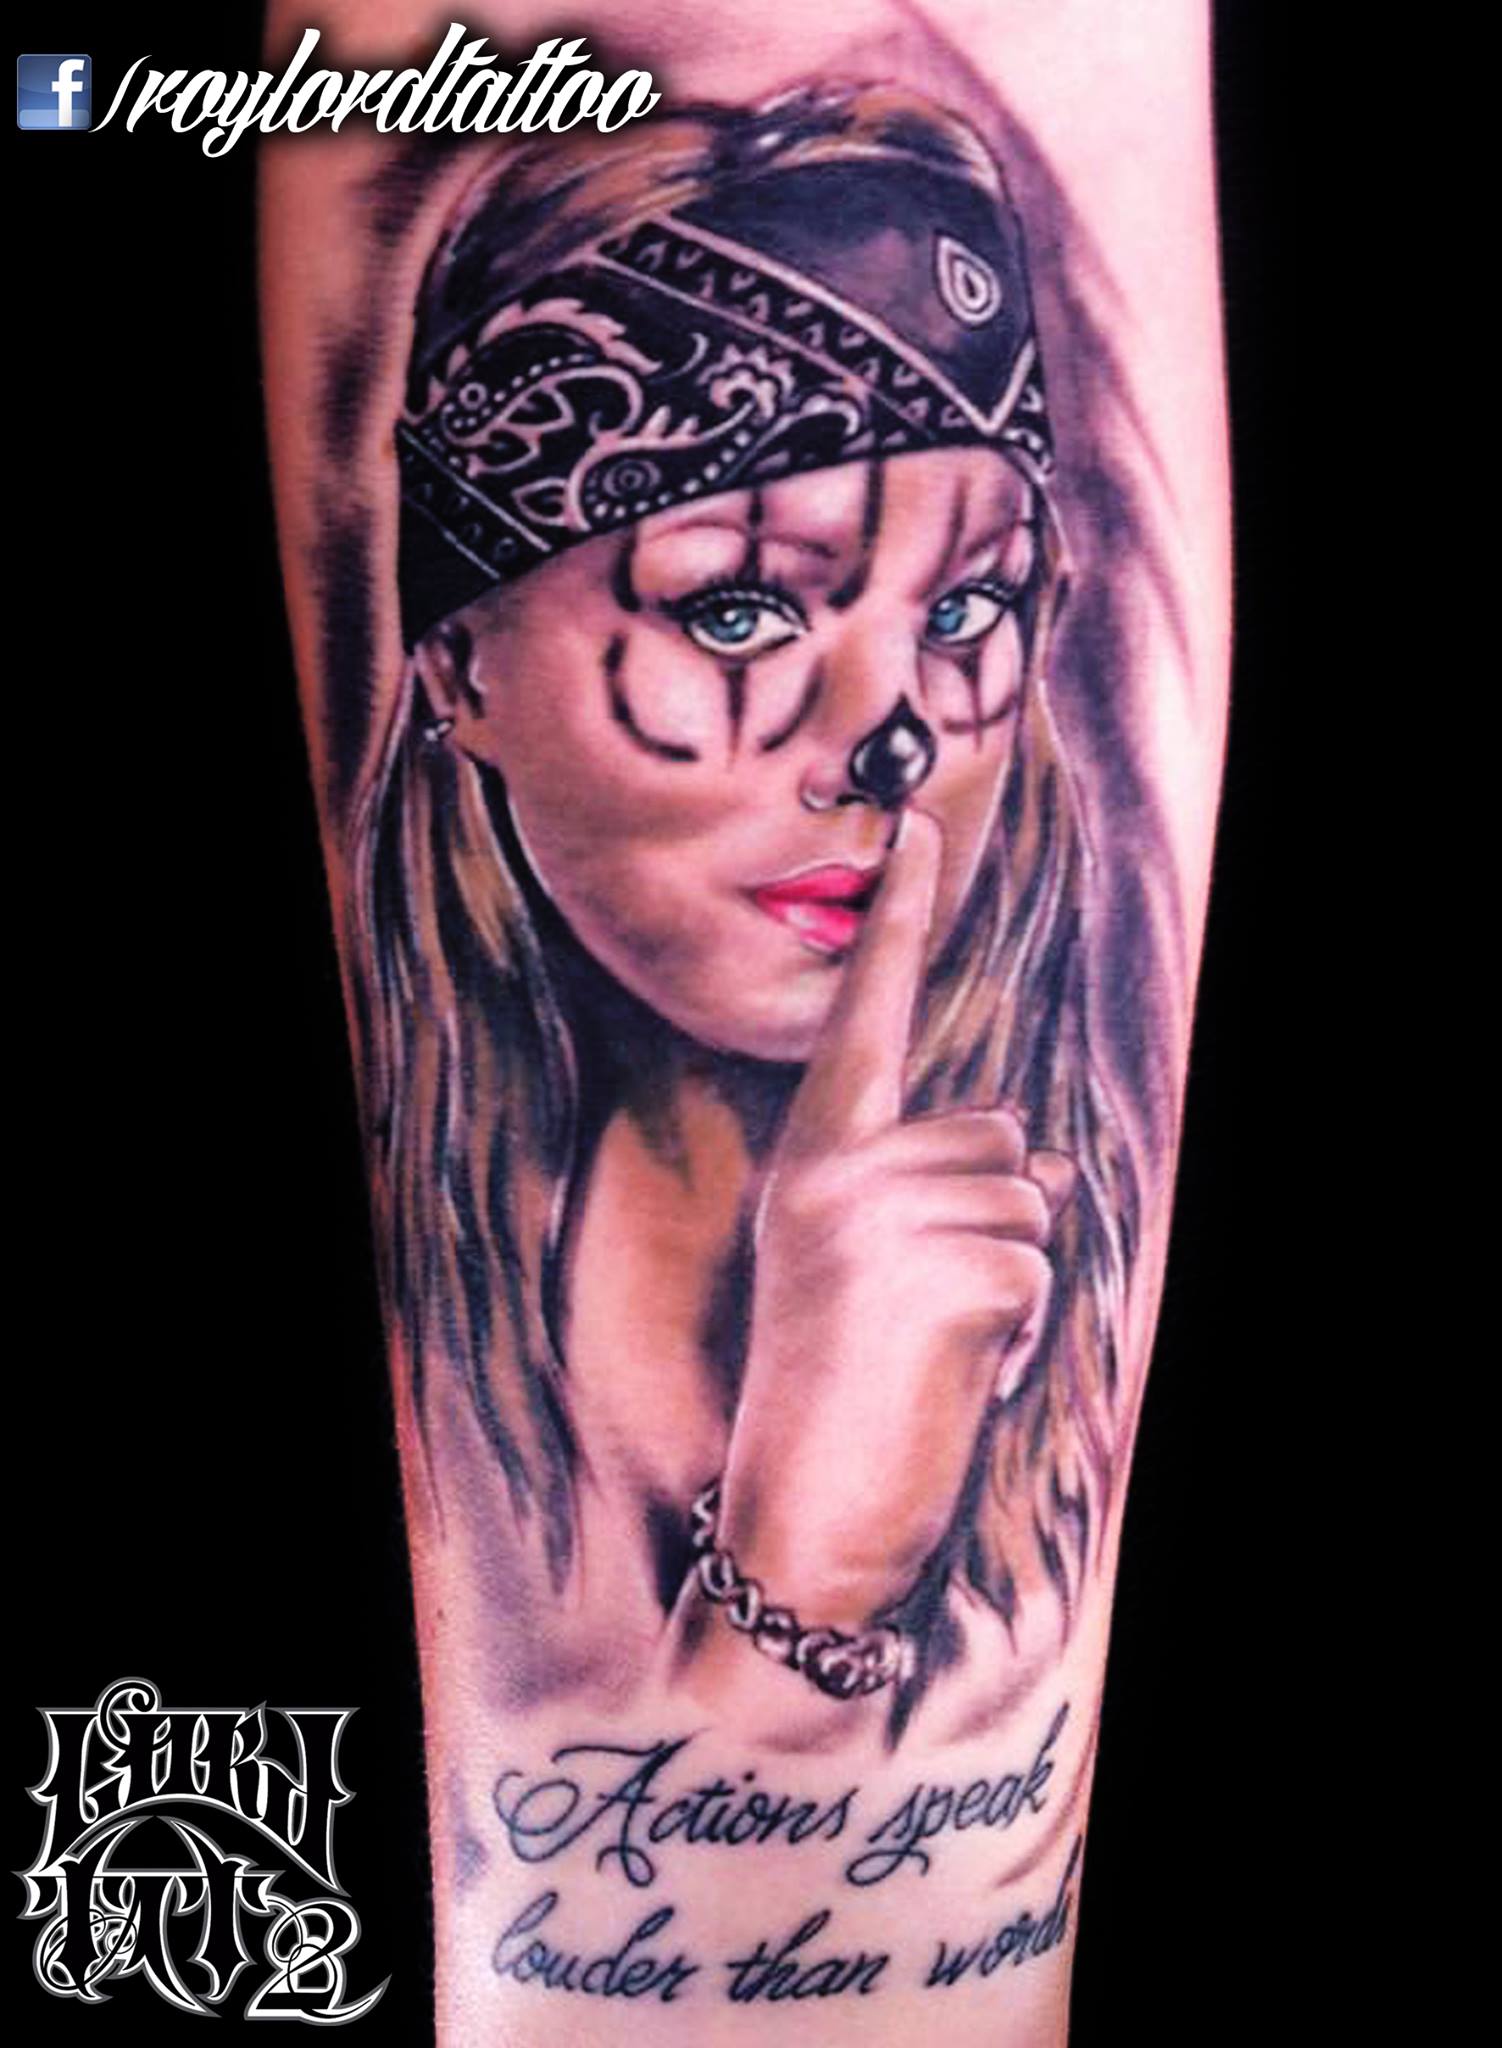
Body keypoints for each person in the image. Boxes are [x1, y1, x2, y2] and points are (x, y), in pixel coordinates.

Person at [345, 83, 1140, 1749]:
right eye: (736, 609)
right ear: (461, 667)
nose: (890, 733)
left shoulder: (1063, 1277)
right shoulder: (463, 1312)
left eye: (970, 606)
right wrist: (805, 1573)